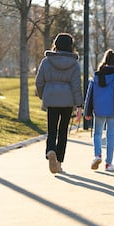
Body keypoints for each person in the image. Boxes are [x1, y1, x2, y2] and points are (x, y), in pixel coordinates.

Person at [35, 33, 83, 174]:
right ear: (70, 46)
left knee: (52, 130)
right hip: (67, 101)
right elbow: (76, 86)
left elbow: (39, 82)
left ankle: (50, 150)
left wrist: (44, 95)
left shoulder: (46, 61)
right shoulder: (74, 64)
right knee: (63, 132)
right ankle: (59, 163)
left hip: (51, 99)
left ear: (55, 44)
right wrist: (79, 105)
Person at [83, 49, 114, 171]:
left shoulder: (96, 75)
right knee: (110, 135)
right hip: (113, 108)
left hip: (98, 109)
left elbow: (90, 93)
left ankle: (97, 155)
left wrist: (87, 111)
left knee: (97, 134)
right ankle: (108, 163)